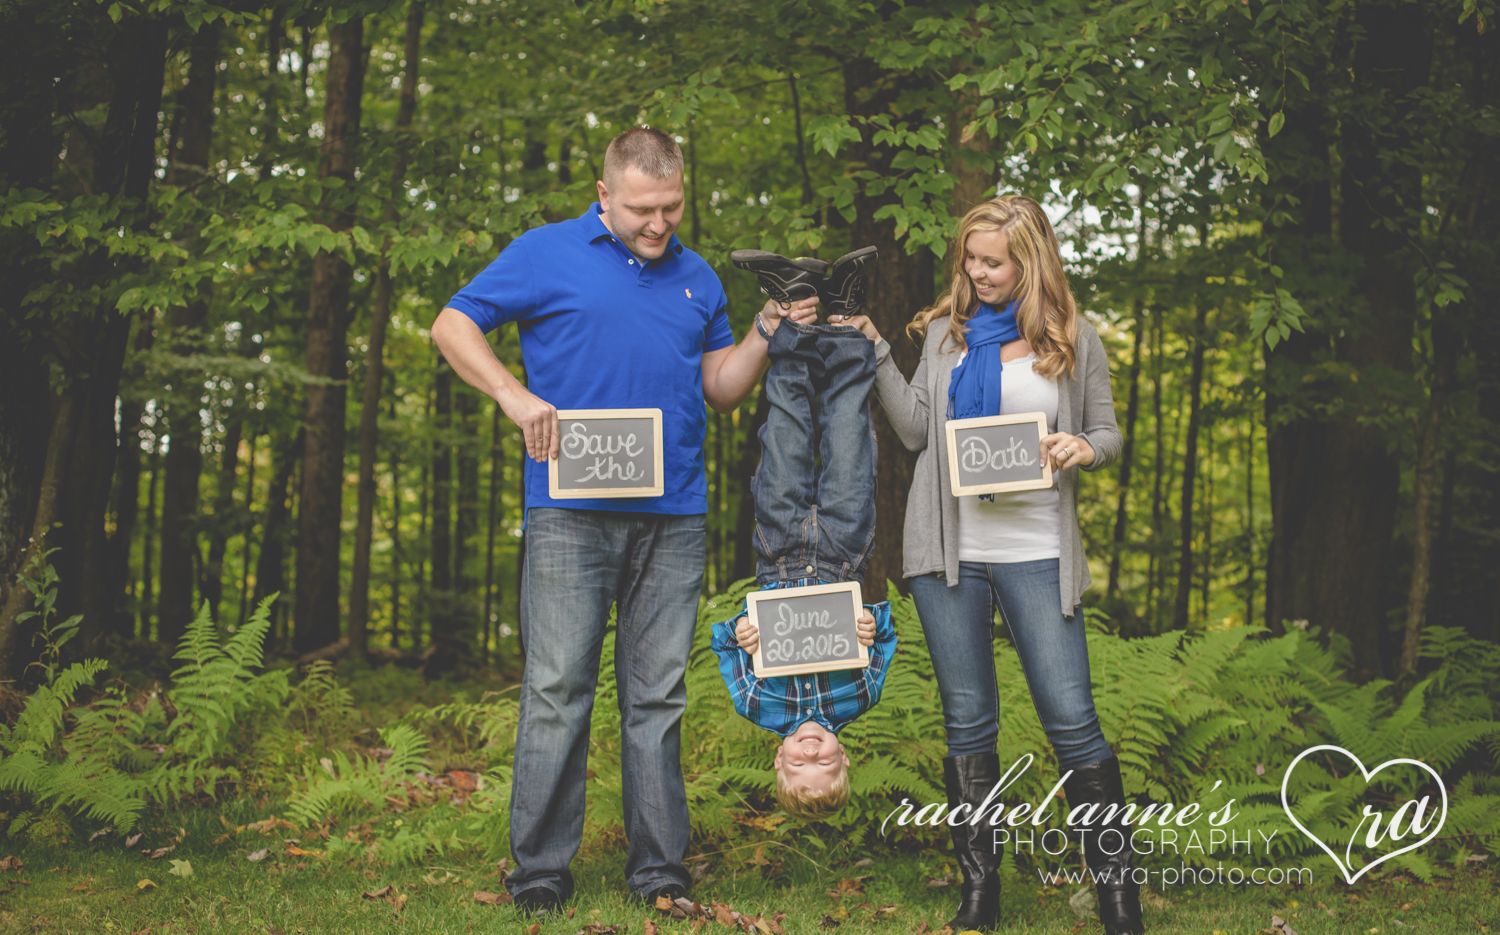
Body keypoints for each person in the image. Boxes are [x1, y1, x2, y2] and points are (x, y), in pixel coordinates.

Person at [430, 128, 817, 918]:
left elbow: (720, 387)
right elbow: (451, 325)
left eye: (672, 207)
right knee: (556, 688)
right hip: (570, 515)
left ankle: (659, 869)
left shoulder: (698, 276)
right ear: (604, 195)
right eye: (642, 209)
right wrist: (515, 396)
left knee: (658, 696)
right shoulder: (544, 252)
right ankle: (539, 868)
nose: (659, 224)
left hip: (672, 518)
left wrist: (762, 333)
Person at [835, 196, 1142, 935]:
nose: (976, 273)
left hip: (1038, 552)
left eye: (992, 262)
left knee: (1072, 720)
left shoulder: (1073, 339)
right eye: (969, 260)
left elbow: (1107, 432)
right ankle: (981, 895)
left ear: (1028, 262)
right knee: (969, 720)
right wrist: (879, 348)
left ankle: (1118, 899)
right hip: (952, 555)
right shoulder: (945, 334)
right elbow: (914, 431)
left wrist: (1084, 449)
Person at [709, 246, 896, 821]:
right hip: (844, 549)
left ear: (778, 758)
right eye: (825, 764)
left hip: (780, 547)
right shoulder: (861, 696)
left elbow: (722, 640)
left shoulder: (756, 703)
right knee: (847, 434)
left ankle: (793, 307)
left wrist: (741, 631)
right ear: (846, 756)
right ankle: (840, 312)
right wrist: (871, 623)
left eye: (799, 765)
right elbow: (884, 637)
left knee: (785, 430)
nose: (810, 754)